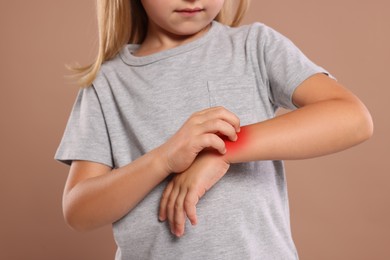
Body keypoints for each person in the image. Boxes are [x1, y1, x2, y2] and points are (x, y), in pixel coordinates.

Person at [55, 0, 373, 259]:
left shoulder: (254, 46)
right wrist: (164, 159)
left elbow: (351, 117)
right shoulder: (107, 83)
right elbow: (79, 211)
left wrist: (221, 152)